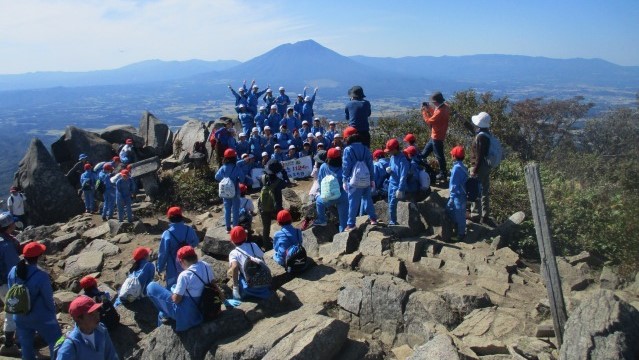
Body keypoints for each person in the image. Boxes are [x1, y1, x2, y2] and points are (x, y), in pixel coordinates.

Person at [7, 242, 61, 359]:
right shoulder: (41, 275)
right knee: (56, 341)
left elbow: (11, 289)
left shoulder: (13, 271)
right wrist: (52, 313)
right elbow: (48, 298)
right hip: (41, 316)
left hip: (20, 315)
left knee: (26, 345)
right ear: (39, 256)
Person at [147, 246, 214, 332]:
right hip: (204, 309)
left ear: (181, 261)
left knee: (151, 286)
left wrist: (174, 292)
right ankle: (164, 314)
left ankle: (164, 315)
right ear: (195, 256)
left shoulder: (184, 275)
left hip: (188, 316)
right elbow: (213, 284)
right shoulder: (206, 265)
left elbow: (176, 300)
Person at [55, 295, 119, 359]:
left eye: (97, 311)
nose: (97, 316)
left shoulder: (101, 330)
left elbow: (112, 356)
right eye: (91, 314)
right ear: (78, 319)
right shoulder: (70, 345)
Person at [342, 127, 378, 231]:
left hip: (354, 180)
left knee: (353, 202)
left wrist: (344, 179)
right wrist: (372, 179)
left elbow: (346, 166)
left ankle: (351, 224)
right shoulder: (365, 148)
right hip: (366, 178)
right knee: (367, 199)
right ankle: (373, 218)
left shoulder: (348, 150)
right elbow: (370, 165)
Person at [157, 206, 199, 289]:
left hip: (173, 267)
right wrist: (188, 246)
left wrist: (160, 268)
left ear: (169, 218)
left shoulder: (167, 233)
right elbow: (196, 242)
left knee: (173, 289)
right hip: (189, 263)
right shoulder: (189, 229)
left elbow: (163, 253)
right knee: (189, 286)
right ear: (181, 217)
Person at [227, 226, 272, 300]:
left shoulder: (234, 253)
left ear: (232, 241)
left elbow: (234, 267)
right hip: (264, 281)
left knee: (239, 276)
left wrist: (235, 287)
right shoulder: (253, 245)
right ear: (246, 237)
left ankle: (245, 294)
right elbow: (262, 257)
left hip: (251, 285)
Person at [470, 112, 495, 226]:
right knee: (484, 191)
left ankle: (475, 215)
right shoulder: (486, 134)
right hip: (486, 166)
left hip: (479, 166)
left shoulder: (480, 137)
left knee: (475, 190)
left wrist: (474, 170)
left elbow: (479, 156)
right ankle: (485, 215)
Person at [314, 148, 348, 231]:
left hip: (328, 198)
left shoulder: (323, 167)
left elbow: (320, 181)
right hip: (342, 196)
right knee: (344, 222)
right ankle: (343, 233)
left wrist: (322, 193)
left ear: (328, 157)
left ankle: (322, 220)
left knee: (318, 201)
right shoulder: (344, 166)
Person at [0, 213, 20, 356]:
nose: (15, 224)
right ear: (9, 226)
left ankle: (16, 337)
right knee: (12, 311)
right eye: (13, 223)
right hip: (6, 283)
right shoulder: (6, 244)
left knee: (13, 310)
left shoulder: (4, 240)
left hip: (1, 283)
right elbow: (14, 266)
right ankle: (8, 344)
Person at [420, 92, 451, 182]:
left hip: (437, 136)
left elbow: (430, 121)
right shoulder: (444, 107)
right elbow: (435, 114)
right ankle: (424, 167)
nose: (433, 104)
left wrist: (424, 111)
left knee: (439, 156)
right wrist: (429, 108)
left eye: (433, 102)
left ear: (436, 102)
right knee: (424, 154)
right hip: (436, 135)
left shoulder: (440, 111)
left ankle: (443, 173)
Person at [258, 160, 287, 247]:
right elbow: (286, 183)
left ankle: (266, 245)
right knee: (284, 225)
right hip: (277, 208)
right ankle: (284, 242)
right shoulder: (280, 182)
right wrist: (283, 171)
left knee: (266, 228)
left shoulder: (261, 178)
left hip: (264, 207)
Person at [215, 149, 243, 232]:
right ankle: (235, 228)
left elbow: (216, 177)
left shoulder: (223, 167)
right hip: (235, 191)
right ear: (234, 158)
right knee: (235, 210)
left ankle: (227, 227)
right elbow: (242, 179)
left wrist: (225, 179)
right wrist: (236, 180)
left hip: (225, 191)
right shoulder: (236, 167)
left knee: (227, 209)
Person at [385, 139, 409, 225]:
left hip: (397, 186)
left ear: (395, 149)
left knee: (392, 204)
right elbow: (393, 169)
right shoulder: (392, 157)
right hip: (391, 183)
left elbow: (403, 175)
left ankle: (393, 222)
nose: (389, 152)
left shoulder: (403, 160)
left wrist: (400, 188)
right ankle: (392, 220)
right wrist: (390, 171)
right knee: (389, 202)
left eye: (390, 150)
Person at [448, 146, 469, 241]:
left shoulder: (456, 168)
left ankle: (460, 235)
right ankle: (458, 231)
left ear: (455, 156)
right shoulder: (463, 166)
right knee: (460, 213)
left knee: (459, 214)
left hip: (457, 195)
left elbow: (454, 185)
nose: (451, 156)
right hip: (462, 194)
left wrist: (451, 197)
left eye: (452, 154)